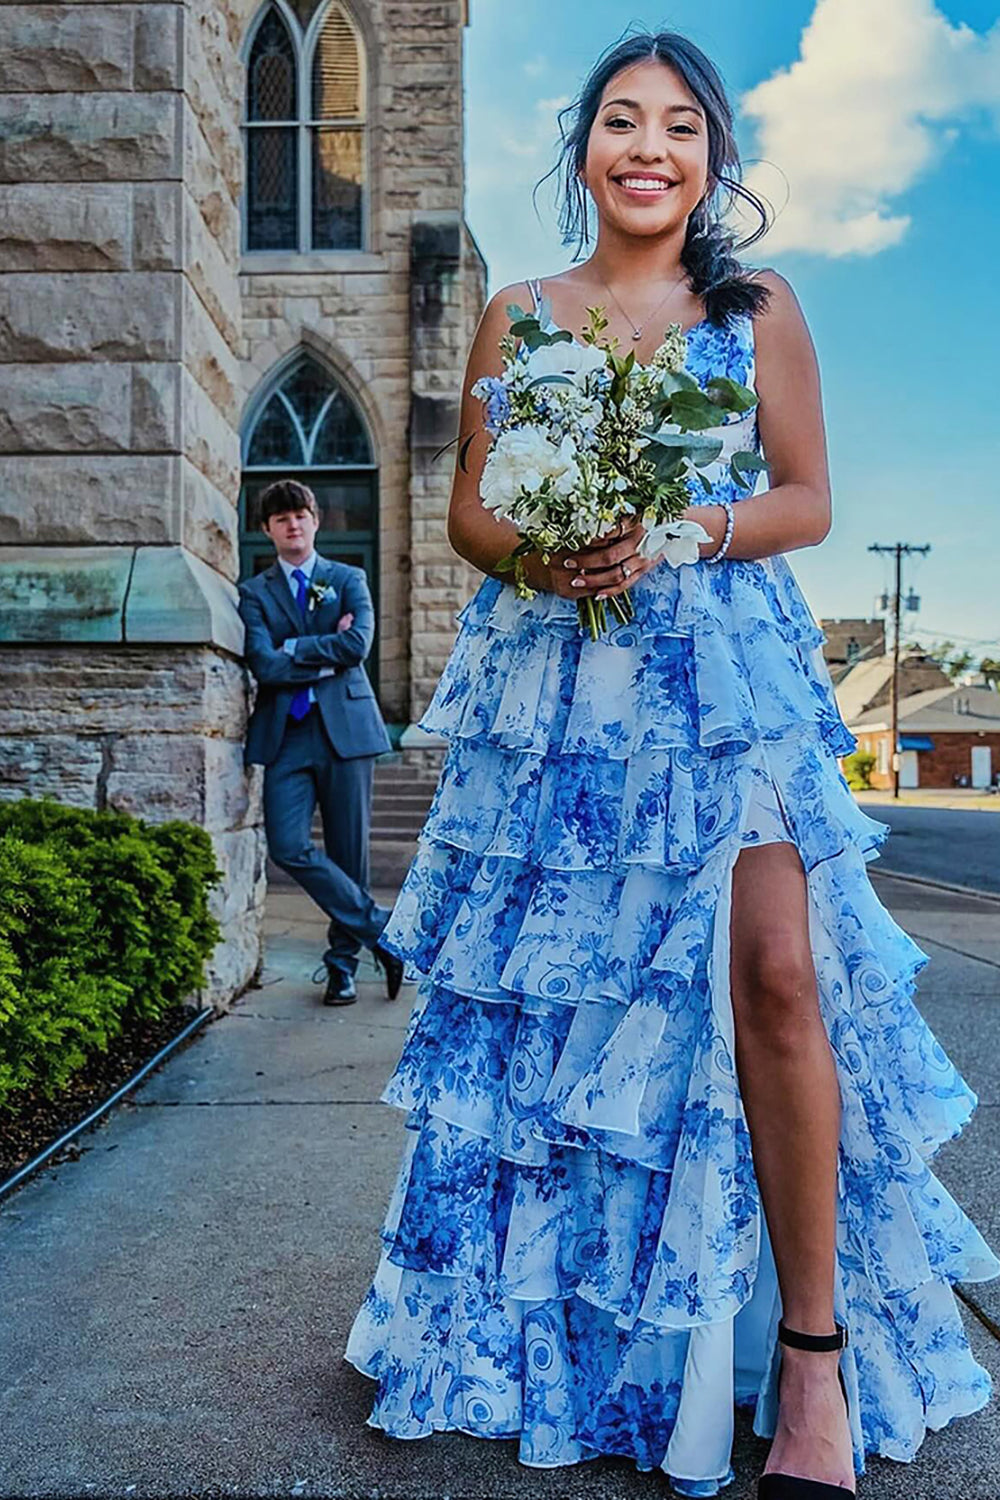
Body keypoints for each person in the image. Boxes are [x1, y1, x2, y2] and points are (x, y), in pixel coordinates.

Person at [345, 30, 997, 1499]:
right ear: (583, 147)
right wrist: (548, 556)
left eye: (681, 127)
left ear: (713, 160)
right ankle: (592, 1340)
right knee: (572, 1015)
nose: (650, 148)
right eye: (623, 121)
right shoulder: (519, 313)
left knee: (778, 973)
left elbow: (807, 497)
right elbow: (469, 513)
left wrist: (696, 528)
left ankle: (812, 1357)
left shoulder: (756, 307)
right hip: (565, 696)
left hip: (725, 683)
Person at [238, 479, 402, 1006]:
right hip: (286, 734)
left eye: (301, 515)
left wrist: (295, 647)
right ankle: (381, 930)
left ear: (315, 521)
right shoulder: (254, 593)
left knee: (349, 854)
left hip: (346, 732)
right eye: (281, 518)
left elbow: (358, 645)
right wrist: (324, 652)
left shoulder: (347, 578)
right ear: (267, 529)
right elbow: (264, 663)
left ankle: (342, 968)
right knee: (287, 845)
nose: (293, 524)